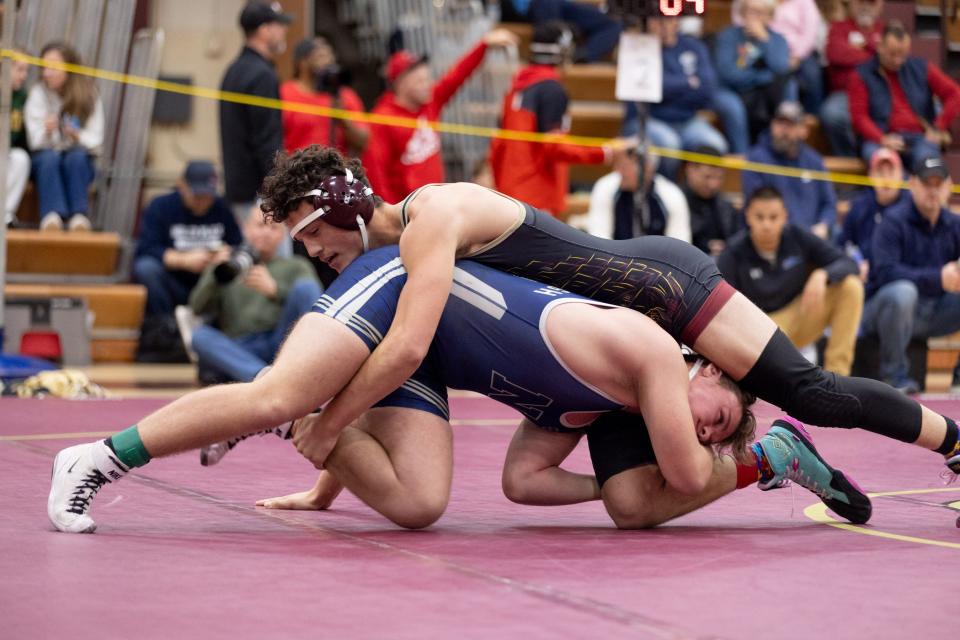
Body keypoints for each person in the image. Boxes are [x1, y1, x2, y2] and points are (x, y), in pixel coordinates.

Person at [253, 145, 960, 489]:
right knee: (631, 498)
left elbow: (405, 353)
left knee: (812, 392)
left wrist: (326, 425)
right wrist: (326, 486)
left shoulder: (427, 222)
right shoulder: (398, 254)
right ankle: (769, 460)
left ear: (345, 208)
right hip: (614, 336)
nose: (313, 252)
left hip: (662, 287)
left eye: (312, 233)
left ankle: (953, 445)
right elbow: (398, 367)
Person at [48, 242, 868, 534]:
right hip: (408, 291)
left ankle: (293, 417)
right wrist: (739, 463)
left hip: (426, 358)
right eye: (714, 418)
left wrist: (327, 486)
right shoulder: (652, 350)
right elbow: (686, 478)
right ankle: (96, 457)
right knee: (275, 392)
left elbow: (521, 482)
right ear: (709, 369)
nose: (697, 435)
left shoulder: (600, 406)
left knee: (418, 505)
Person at [718, 187, 863, 376]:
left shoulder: (797, 236)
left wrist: (823, 274)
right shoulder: (733, 253)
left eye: (773, 217)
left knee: (851, 287)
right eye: (760, 217)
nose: (767, 225)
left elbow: (849, 263)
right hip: (759, 328)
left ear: (784, 216)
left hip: (800, 314)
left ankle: (837, 376)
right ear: (748, 217)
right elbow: (723, 309)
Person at [361, 28, 517, 203]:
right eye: (420, 80)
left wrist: (484, 44)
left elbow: (456, 76)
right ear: (401, 83)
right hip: (406, 210)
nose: (428, 85)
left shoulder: (429, 103)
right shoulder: (383, 119)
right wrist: (389, 214)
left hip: (434, 203)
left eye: (428, 79)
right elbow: (375, 171)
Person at [489, 21, 620, 216]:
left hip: (510, 195)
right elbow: (554, 147)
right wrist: (604, 152)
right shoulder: (552, 90)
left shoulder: (517, 86)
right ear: (564, 53)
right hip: (536, 199)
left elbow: (498, 146)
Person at [180, 211, 321, 383]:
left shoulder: (296, 266)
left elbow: (318, 309)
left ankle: (317, 366)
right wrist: (215, 273)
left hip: (282, 341)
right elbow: (196, 308)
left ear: (283, 234)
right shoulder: (227, 268)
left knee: (305, 287)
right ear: (245, 229)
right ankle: (262, 377)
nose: (266, 233)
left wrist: (276, 291)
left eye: (273, 228)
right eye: (260, 225)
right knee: (200, 336)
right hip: (239, 348)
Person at [860, 156, 960, 394]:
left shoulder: (955, 224)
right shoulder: (893, 221)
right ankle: (895, 377)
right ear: (913, 183)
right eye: (927, 184)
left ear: (948, 187)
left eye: (939, 184)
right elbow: (885, 272)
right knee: (903, 292)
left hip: (936, 311)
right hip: (883, 311)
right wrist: (938, 278)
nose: (933, 191)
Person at [133, 161, 242, 362]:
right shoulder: (161, 206)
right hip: (173, 282)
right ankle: (168, 330)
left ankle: (230, 330)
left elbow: (237, 245)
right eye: (197, 195)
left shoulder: (221, 207)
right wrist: (183, 260)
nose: (203, 201)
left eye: (207, 195)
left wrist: (223, 256)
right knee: (146, 269)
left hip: (209, 285)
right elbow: (145, 248)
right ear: (181, 186)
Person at [620, 17, 727, 180]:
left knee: (716, 144)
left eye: (668, 21)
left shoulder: (693, 47)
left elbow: (707, 91)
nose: (662, 26)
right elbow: (643, 91)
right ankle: (667, 191)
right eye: (657, 21)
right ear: (647, 22)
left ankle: (695, 198)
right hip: (646, 120)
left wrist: (663, 89)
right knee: (670, 145)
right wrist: (687, 82)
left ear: (677, 23)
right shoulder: (637, 47)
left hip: (687, 120)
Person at [848, 21, 960, 168]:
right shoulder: (861, 75)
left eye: (903, 55)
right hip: (880, 138)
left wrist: (938, 127)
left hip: (921, 137)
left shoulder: (921, 67)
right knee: (884, 165)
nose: (897, 60)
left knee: (930, 168)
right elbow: (859, 118)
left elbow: (955, 94)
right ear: (880, 46)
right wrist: (881, 138)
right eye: (892, 54)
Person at [219, 1, 291, 222]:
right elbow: (266, 140)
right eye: (279, 25)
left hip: (241, 192)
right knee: (275, 258)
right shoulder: (261, 75)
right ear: (264, 30)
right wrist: (279, 192)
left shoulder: (235, 69)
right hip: (259, 198)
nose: (284, 31)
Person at [24, 41, 104, 232]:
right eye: (44, 67)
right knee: (49, 159)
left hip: (77, 159)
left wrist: (77, 136)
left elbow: (96, 140)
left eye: (53, 67)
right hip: (46, 159)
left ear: (69, 68)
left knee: (76, 157)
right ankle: (52, 216)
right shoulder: (38, 93)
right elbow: (33, 141)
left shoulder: (88, 94)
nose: (46, 73)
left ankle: (79, 215)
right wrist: (47, 130)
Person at [742, 101, 837, 238]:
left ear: (803, 131)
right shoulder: (756, 159)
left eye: (790, 125)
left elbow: (829, 203)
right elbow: (756, 207)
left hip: (813, 240)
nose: (783, 130)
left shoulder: (814, 161)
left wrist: (823, 225)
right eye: (779, 123)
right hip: (775, 238)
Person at [713, 0, 792, 144]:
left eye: (760, 12)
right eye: (750, 11)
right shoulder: (728, 36)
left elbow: (781, 70)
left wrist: (765, 40)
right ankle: (742, 156)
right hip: (733, 91)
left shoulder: (777, 40)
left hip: (764, 95)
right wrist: (763, 77)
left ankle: (776, 150)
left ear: (770, 17)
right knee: (733, 107)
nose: (753, 17)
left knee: (790, 87)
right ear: (742, 13)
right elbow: (729, 74)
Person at [280, 37, 369, 158]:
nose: (328, 61)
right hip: (297, 172)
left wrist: (344, 119)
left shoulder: (345, 95)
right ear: (302, 62)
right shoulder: (285, 94)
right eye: (321, 56)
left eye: (330, 56)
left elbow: (363, 142)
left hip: (335, 172)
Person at [581, 149, 691, 241]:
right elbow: (599, 237)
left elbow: (680, 243)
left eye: (623, 166)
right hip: (615, 261)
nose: (617, 171)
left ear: (647, 168)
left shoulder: (671, 194)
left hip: (657, 263)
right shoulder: (606, 186)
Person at [821, 0, 884, 156]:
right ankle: (849, 159)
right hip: (845, 93)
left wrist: (863, 47)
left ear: (880, 5)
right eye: (860, 1)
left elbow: (891, 60)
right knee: (831, 114)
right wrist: (873, 53)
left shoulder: (885, 30)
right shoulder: (839, 27)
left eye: (872, 2)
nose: (865, 5)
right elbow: (835, 54)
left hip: (880, 94)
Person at [835, 147, 907, 282]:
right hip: (863, 279)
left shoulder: (911, 208)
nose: (886, 178)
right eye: (880, 172)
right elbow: (845, 243)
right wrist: (855, 262)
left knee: (903, 292)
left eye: (891, 171)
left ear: (901, 175)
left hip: (897, 277)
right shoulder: (859, 206)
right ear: (871, 175)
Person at [499, 0, 622, 63]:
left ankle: (581, 56)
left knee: (614, 24)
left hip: (564, 7)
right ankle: (565, 34)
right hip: (533, 7)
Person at [680, 146, 743, 257]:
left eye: (719, 178)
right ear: (690, 170)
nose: (713, 184)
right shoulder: (676, 201)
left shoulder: (726, 208)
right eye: (707, 177)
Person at [5, 54, 30, 227]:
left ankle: (5, 215)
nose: (24, 75)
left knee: (21, 158)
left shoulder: (23, 97)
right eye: (20, 69)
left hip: (7, 154)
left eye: (27, 70)